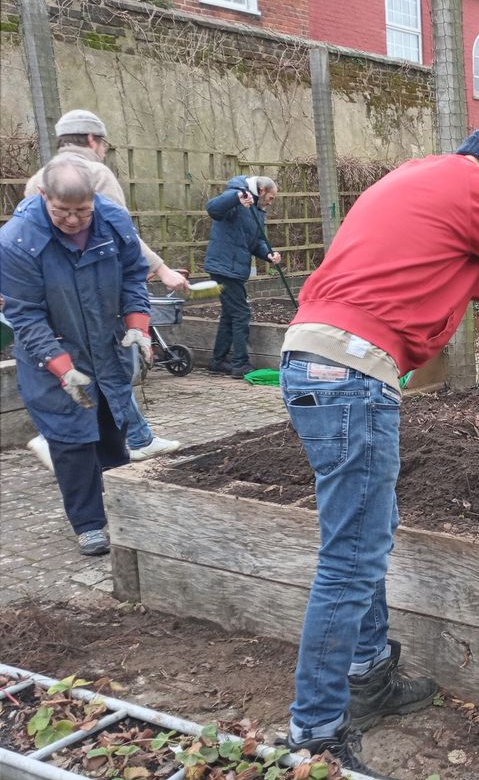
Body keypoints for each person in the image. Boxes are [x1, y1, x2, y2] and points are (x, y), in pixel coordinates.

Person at [278, 127, 479, 772]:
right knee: (349, 559)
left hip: (309, 361)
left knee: (365, 534)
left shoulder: (413, 182)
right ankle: (314, 736)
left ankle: (368, 676)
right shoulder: (477, 186)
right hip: (354, 373)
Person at [0, 159, 152, 556]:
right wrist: (61, 367)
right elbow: (24, 313)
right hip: (51, 358)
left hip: (106, 348)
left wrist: (138, 324)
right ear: (43, 197)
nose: (72, 220)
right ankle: (89, 524)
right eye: (61, 211)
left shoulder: (113, 221)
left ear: (94, 200)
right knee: (71, 443)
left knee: (112, 432)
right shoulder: (18, 240)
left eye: (82, 211)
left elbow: (134, 274)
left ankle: (125, 511)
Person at [22, 108, 183, 468]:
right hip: (95, 288)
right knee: (111, 366)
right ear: (94, 140)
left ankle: (136, 437)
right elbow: (122, 235)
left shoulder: (40, 177)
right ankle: (58, 438)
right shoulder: (96, 173)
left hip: (55, 293)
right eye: (105, 144)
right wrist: (160, 269)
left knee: (81, 367)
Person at [204, 176, 282, 378]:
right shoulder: (235, 196)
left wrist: (268, 254)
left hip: (235, 268)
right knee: (241, 313)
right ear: (262, 190)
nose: (271, 202)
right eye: (271, 198)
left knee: (230, 314)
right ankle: (240, 364)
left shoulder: (255, 209)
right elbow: (213, 209)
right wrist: (237, 196)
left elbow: (255, 242)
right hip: (224, 267)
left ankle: (218, 360)